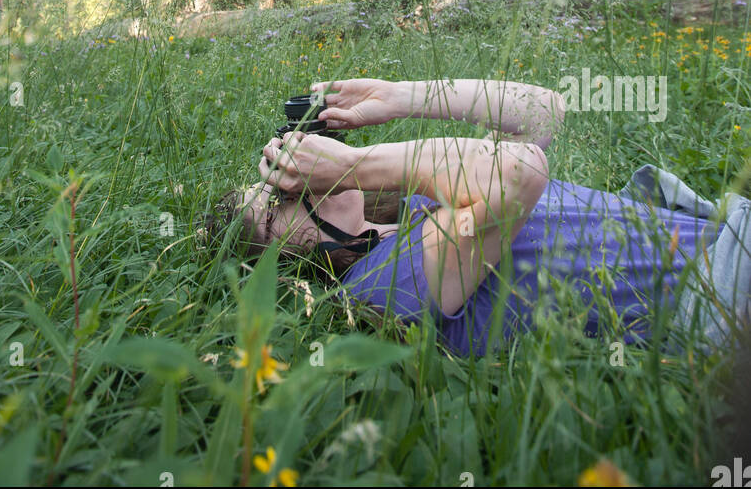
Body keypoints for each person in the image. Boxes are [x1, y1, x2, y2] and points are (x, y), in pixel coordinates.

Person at [208, 77, 747, 357]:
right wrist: (351, 167)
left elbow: (543, 110)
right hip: (722, 296)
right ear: (285, 265)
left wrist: (397, 98)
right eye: (274, 208)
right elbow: (518, 173)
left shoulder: (424, 207)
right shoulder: (378, 283)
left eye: (278, 182)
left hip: (727, 230)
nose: (290, 187)